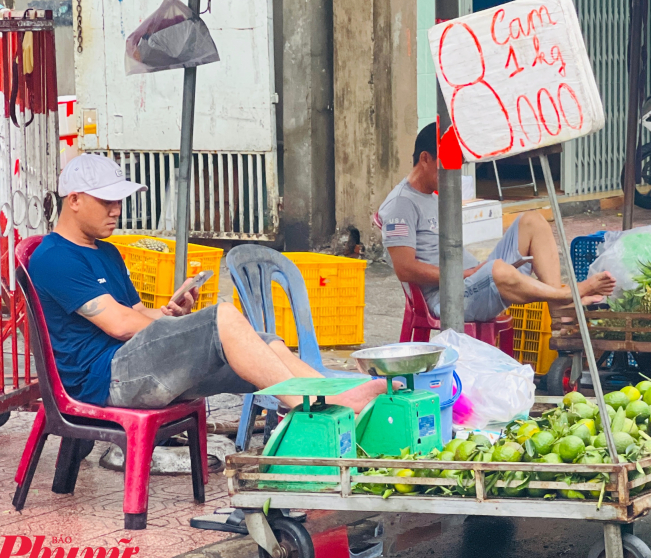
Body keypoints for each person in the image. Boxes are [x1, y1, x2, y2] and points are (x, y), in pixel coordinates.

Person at [29, 154, 385, 412]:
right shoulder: (54, 257)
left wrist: (168, 313)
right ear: (73, 200)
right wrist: (176, 326)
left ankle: (331, 396)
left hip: (131, 364)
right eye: (106, 201)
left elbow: (135, 313)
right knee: (223, 317)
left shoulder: (106, 252)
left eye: (119, 201)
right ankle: (309, 408)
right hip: (104, 380)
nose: (116, 210)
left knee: (265, 344)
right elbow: (121, 325)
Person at [379, 123, 616, 321]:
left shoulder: (432, 195)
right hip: (448, 296)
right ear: (425, 159)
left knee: (532, 221)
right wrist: (464, 273)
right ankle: (566, 296)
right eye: (448, 165)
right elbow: (404, 268)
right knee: (497, 269)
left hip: (473, 280)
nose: (454, 173)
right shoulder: (401, 204)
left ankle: (556, 305)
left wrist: (472, 272)